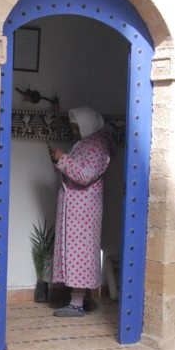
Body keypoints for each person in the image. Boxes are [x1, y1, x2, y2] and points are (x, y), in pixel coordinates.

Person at [48, 106, 112, 317]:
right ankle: (76, 299)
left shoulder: (98, 146)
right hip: (75, 211)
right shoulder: (85, 144)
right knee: (74, 251)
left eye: (76, 127)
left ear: (87, 125)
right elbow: (73, 170)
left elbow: (85, 175)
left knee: (81, 252)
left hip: (83, 212)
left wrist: (63, 158)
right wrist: (59, 161)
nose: (74, 132)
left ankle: (77, 303)